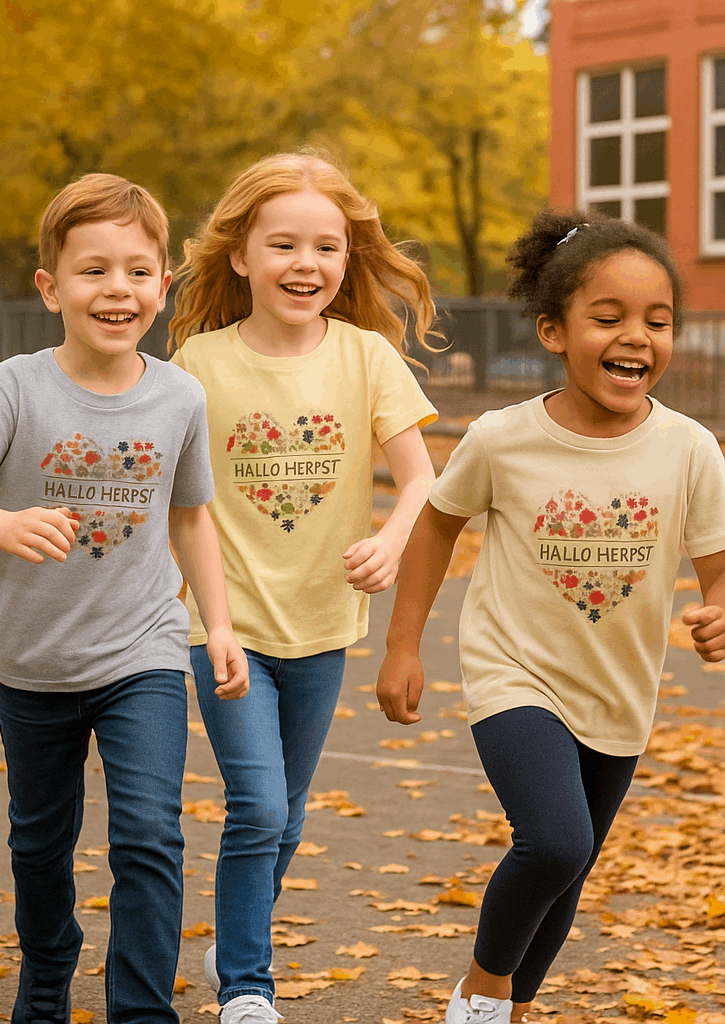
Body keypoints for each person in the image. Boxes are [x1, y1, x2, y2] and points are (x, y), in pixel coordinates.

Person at [377, 210, 725, 1024]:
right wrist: (403, 646)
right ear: (553, 331)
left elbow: (717, 566)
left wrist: (719, 609)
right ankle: (482, 990)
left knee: (573, 867)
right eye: (607, 318)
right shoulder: (504, 438)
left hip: (619, 690)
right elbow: (434, 523)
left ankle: (510, 1010)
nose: (635, 336)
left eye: (657, 320)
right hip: (515, 675)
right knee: (557, 841)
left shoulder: (690, 449)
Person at [169, 151, 439, 1024]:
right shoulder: (198, 364)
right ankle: (248, 987)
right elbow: (177, 498)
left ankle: (232, 942)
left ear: (345, 263)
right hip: (226, 626)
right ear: (240, 255)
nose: (305, 264)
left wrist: (392, 539)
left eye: (326, 248)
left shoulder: (367, 357)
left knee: (283, 821)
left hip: (325, 625)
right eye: (282, 244)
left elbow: (423, 481)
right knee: (259, 805)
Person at [0, 172, 248, 1024]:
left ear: (162, 288)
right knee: (39, 846)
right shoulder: (13, 388)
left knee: (148, 836)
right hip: (32, 659)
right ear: (52, 288)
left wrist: (221, 623)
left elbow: (192, 516)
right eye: (93, 271)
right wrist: (2, 525)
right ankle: (49, 973)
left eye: (137, 271)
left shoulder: (179, 395)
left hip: (145, 652)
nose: (116, 289)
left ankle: (140, 1010)